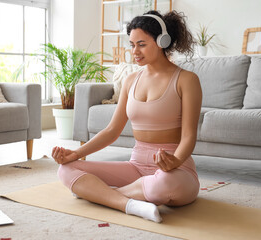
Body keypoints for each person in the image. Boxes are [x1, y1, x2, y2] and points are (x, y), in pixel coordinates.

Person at [51, 10, 202, 223]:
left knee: (164, 185)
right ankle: (130, 204)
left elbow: (189, 136)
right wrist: (75, 154)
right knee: (66, 169)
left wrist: (175, 161)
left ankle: (99, 194)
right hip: (135, 167)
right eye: (132, 45)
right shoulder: (131, 80)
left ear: (162, 41)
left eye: (141, 44)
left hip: (175, 170)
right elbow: (112, 131)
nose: (135, 51)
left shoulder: (186, 80)